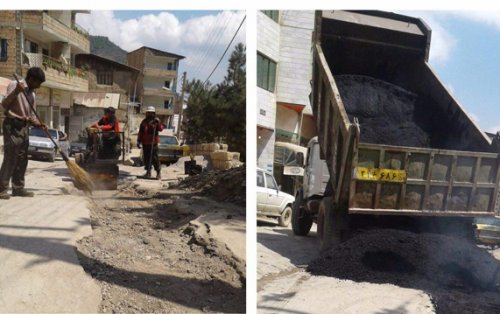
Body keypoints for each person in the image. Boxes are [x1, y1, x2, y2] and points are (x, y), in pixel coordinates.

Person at [0, 67, 46, 199]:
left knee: (22, 158)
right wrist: (16, 92)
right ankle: (1, 189)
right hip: (12, 125)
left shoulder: (32, 94)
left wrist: (38, 123)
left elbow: (31, 115)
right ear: (31, 79)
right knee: (11, 157)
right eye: (38, 83)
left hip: (24, 128)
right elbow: (4, 104)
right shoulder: (15, 85)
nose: (38, 86)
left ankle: (18, 188)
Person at [137, 106, 164, 179]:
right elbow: (140, 132)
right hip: (145, 143)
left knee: (154, 158)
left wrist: (159, 123)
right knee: (146, 158)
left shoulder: (156, 122)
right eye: (147, 112)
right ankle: (148, 172)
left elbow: (161, 129)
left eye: (150, 113)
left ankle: (158, 173)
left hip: (153, 143)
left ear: (153, 113)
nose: (148, 114)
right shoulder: (144, 122)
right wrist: (138, 140)